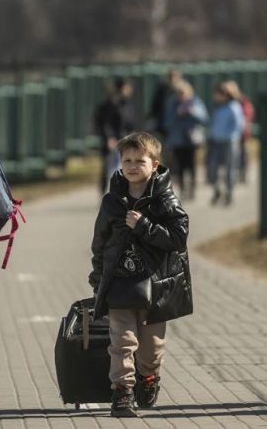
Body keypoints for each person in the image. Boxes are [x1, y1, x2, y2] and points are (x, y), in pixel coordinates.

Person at [87, 132, 192, 418]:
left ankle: (148, 377)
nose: (132, 166)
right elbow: (100, 242)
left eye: (140, 161)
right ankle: (122, 392)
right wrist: (98, 278)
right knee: (122, 341)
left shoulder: (165, 199)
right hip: (120, 283)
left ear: (154, 165)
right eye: (127, 161)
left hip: (156, 285)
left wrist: (144, 226)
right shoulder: (112, 201)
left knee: (151, 347)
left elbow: (179, 237)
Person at [164, 79, 208, 201]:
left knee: (192, 165)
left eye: (183, 93)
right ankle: (183, 190)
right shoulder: (172, 104)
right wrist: (177, 114)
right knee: (180, 166)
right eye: (179, 93)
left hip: (192, 139)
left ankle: (192, 189)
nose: (181, 96)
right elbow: (167, 122)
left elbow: (204, 119)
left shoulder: (195, 102)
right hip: (177, 140)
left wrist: (192, 112)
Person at [94, 77, 138, 194]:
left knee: (125, 168)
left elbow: (130, 123)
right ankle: (106, 195)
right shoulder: (111, 104)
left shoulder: (128, 104)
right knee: (108, 169)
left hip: (125, 140)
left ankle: (122, 194)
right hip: (112, 141)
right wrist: (110, 137)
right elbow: (105, 123)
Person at [206, 80, 245, 206]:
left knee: (230, 168)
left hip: (229, 142)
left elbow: (238, 125)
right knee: (212, 167)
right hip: (216, 141)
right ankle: (217, 190)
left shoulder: (234, 107)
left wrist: (229, 135)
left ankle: (229, 193)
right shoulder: (217, 108)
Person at [148, 69, 181, 139]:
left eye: (174, 77)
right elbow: (155, 106)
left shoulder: (181, 91)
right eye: (170, 77)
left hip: (176, 126)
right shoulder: (162, 90)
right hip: (162, 124)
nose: (172, 79)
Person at [236, 88, 256, 184]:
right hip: (237, 134)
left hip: (244, 134)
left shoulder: (246, 105)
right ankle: (240, 174)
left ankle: (244, 175)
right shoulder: (238, 105)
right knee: (239, 155)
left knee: (244, 155)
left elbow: (247, 118)